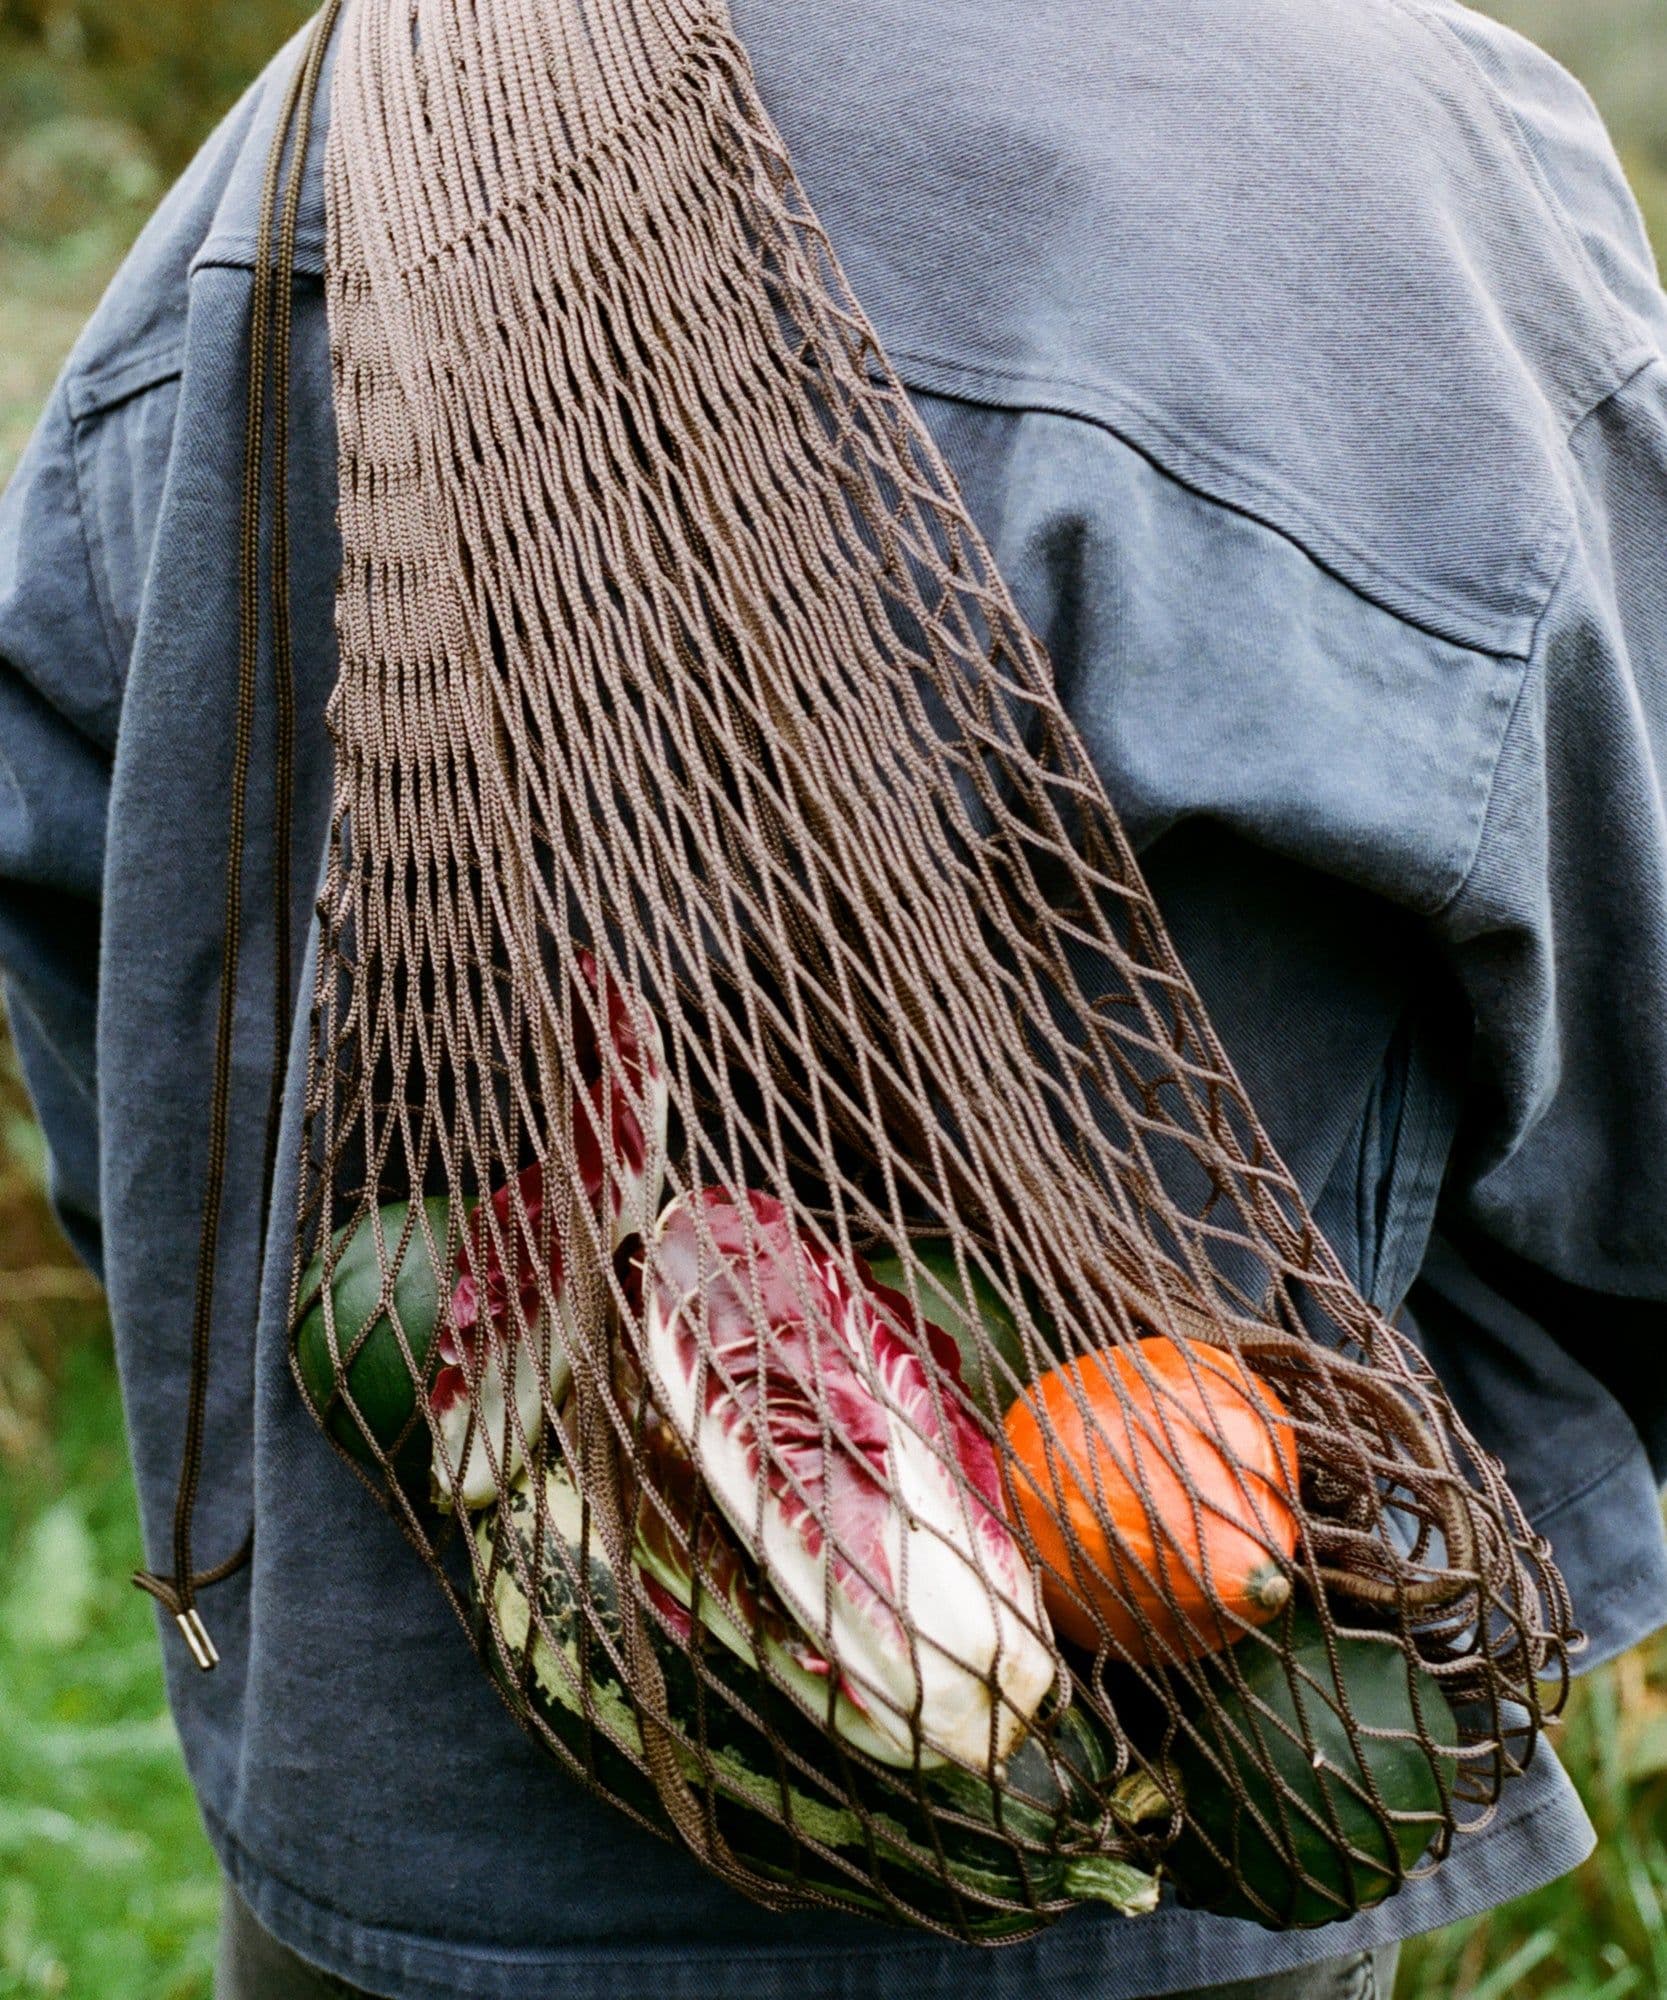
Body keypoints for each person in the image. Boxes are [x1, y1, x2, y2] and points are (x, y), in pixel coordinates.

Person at [3, 0, 1666, 1994]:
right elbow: (1626, 1068)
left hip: (419, 1862)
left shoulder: (324, 139)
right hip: (1194, 1802)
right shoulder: (1409, 178)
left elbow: (113, 936)